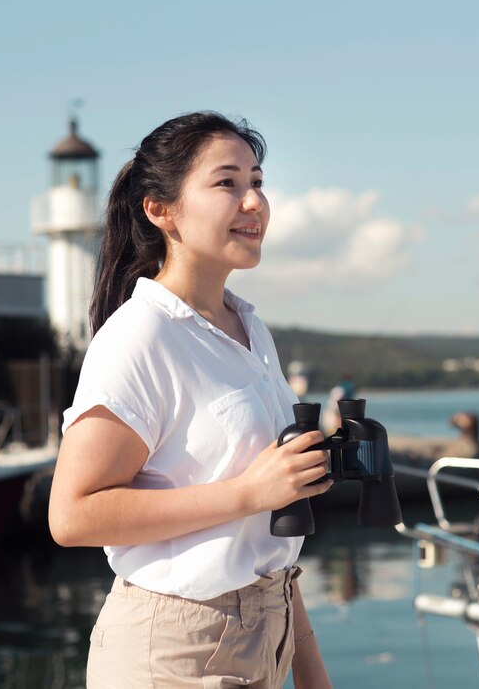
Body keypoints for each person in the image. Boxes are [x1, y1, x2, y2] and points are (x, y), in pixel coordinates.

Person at [48, 111, 334, 689]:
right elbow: (72, 515)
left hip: (264, 634)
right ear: (160, 210)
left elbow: (265, 545)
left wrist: (312, 673)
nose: (253, 201)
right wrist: (249, 491)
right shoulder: (141, 336)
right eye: (227, 182)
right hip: (174, 654)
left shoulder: (249, 331)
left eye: (256, 181)